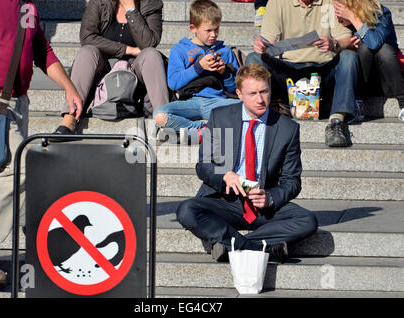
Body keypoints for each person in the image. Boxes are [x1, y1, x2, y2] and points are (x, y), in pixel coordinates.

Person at [0, 0, 82, 289]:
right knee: (25, 169)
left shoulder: (27, 6)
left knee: (0, 183)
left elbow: (41, 50)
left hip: (17, 103)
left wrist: (69, 86)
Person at [175, 63, 318, 263]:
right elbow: (204, 164)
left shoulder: (287, 128)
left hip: (262, 203)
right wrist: (225, 175)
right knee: (187, 210)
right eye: (252, 93)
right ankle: (258, 248)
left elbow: (292, 181)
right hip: (224, 199)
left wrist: (270, 197)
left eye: (264, 91)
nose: (260, 99)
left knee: (307, 220)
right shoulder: (220, 117)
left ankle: (233, 246)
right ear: (240, 94)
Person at [245, 0, 361, 148]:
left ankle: (337, 121)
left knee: (349, 57)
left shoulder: (333, 2)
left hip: (323, 71)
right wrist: (261, 45)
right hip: (287, 71)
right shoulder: (276, 2)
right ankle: (260, 119)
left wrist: (334, 44)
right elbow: (268, 41)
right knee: (253, 59)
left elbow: (347, 40)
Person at [53, 0, 169, 135]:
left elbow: (148, 43)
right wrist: (127, 49)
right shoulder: (100, 2)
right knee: (87, 52)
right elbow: (87, 37)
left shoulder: (152, 4)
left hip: (135, 75)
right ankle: (70, 117)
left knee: (151, 54)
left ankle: (164, 122)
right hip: (102, 73)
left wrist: (131, 10)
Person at [152, 0, 240, 144]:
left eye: (216, 29)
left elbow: (237, 88)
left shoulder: (225, 51)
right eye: (208, 30)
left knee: (247, 109)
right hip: (188, 102)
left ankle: (185, 133)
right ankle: (201, 129)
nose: (213, 34)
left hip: (217, 102)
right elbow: (174, 82)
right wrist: (198, 67)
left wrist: (225, 73)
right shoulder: (179, 50)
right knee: (160, 115)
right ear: (193, 28)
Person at [333, 0, 404, 122]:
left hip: (386, 81)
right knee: (360, 50)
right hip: (360, 82)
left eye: (341, 8)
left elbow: (374, 43)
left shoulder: (381, 13)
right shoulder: (337, 25)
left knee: (382, 49)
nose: (337, 14)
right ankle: (356, 103)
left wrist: (353, 18)